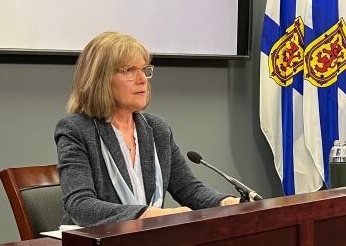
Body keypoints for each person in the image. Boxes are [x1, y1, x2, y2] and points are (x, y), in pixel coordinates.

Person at [55, 31, 240, 227]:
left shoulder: (156, 128)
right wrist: (149, 214)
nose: (142, 79)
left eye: (144, 69)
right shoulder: (76, 130)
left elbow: (189, 190)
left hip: (147, 241)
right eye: (128, 70)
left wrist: (229, 203)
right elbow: (80, 206)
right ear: (100, 79)